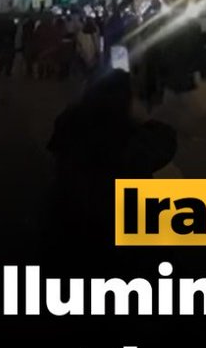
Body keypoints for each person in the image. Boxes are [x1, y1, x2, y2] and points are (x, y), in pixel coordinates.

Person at [46, 70, 176, 249]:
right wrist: (144, 119)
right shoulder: (133, 135)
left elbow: (55, 153)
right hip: (120, 224)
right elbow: (165, 146)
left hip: (70, 220)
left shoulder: (70, 121)